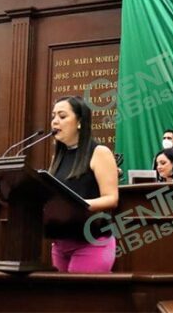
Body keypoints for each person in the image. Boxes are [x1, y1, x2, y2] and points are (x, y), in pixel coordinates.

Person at [48, 96, 119, 273]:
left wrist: (76, 205)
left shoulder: (99, 152)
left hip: (92, 241)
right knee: (57, 292)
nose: (55, 121)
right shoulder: (58, 158)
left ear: (80, 122)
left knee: (80, 292)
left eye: (62, 116)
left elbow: (111, 198)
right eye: (53, 116)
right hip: (60, 243)